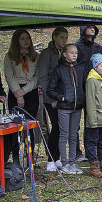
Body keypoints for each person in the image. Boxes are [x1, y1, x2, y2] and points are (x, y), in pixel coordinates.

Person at [3, 28, 39, 164]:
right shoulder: (10, 57)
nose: (25, 41)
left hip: (30, 92)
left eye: (27, 38)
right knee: (16, 126)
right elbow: (9, 76)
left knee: (30, 125)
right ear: (16, 41)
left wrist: (24, 91)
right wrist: (18, 94)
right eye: (22, 39)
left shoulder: (35, 56)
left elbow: (37, 77)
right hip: (15, 92)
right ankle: (16, 157)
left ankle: (30, 156)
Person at [47, 44, 85, 174]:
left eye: (76, 52)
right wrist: (61, 98)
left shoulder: (80, 68)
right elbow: (50, 89)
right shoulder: (59, 69)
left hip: (77, 107)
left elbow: (84, 86)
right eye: (71, 52)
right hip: (64, 108)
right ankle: (64, 163)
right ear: (64, 54)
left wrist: (82, 100)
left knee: (74, 135)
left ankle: (72, 162)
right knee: (64, 135)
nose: (74, 55)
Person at [37, 27, 68, 171]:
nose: (64, 40)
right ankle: (51, 158)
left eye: (66, 38)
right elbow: (43, 77)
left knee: (61, 128)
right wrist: (51, 97)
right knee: (55, 126)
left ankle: (57, 157)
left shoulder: (64, 53)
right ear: (54, 37)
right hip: (51, 96)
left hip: (62, 96)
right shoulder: (46, 54)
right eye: (61, 37)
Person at [73, 25, 102, 161]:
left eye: (93, 27)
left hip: (95, 87)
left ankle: (91, 151)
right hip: (80, 86)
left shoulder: (98, 47)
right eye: (89, 27)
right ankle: (76, 152)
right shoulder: (76, 46)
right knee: (75, 122)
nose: (92, 29)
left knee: (91, 120)